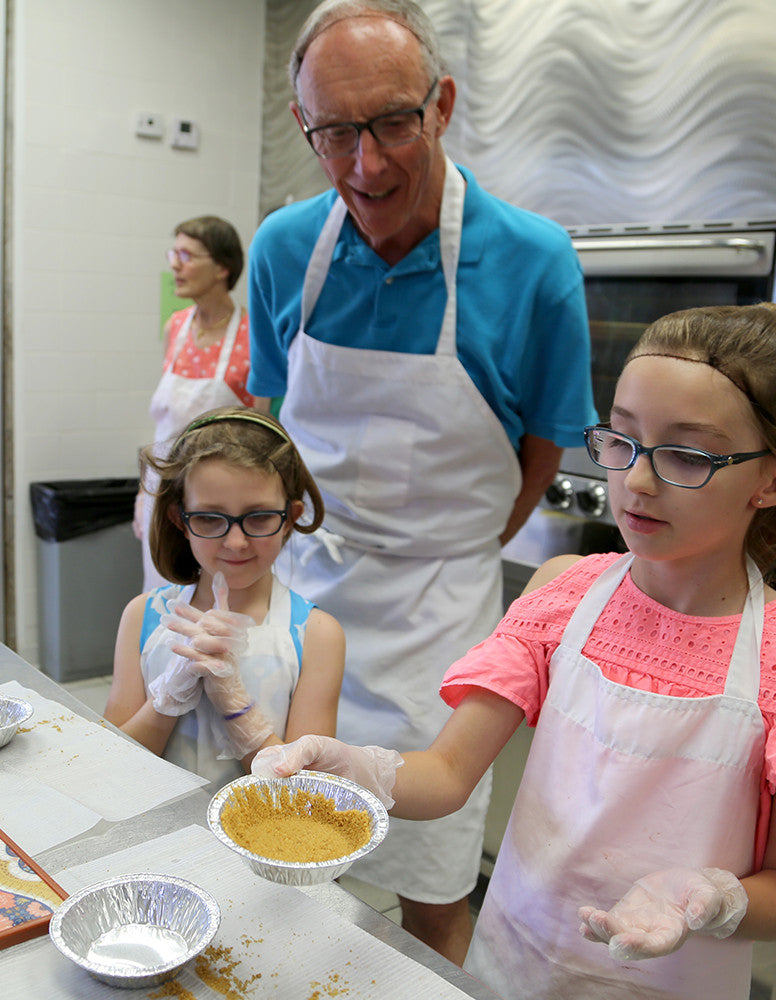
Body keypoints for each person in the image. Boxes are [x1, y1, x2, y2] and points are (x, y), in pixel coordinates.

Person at [254, 303, 776, 999]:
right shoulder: (567, 593)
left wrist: (709, 897)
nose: (638, 481)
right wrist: (351, 769)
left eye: (686, 455)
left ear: (768, 479)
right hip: (515, 961)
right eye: (621, 440)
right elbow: (444, 774)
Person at [245, 0, 595, 960]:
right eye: (336, 133)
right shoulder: (283, 249)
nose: (368, 165)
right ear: (302, 127)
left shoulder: (532, 261)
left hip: (443, 621)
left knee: (432, 882)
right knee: (280, 844)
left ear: (442, 105)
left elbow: (539, 453)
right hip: (303, 598)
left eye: (394, 122)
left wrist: (454, 542)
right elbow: (270, 425)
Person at [105, 406, 345, 789]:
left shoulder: (317, 635)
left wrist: (238, 708)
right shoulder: (143, 616)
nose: (236, 541)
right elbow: (111, 766)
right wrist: (166, 700)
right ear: (180, 520)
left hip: (261, 840)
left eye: (260, 517)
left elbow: (306, 791)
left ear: (291, 516)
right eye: (210, 519)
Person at [135, 216, 266, 591]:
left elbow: (260, 430)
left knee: (217, 601)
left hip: (222, 506)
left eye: (187, 255)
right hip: (162, 491)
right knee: (162, 596)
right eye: (174, 253)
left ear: (222, 267)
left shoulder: (253, 333)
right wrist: (143, 492)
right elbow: (165, 427)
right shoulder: (174, 328)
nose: (175, 264)